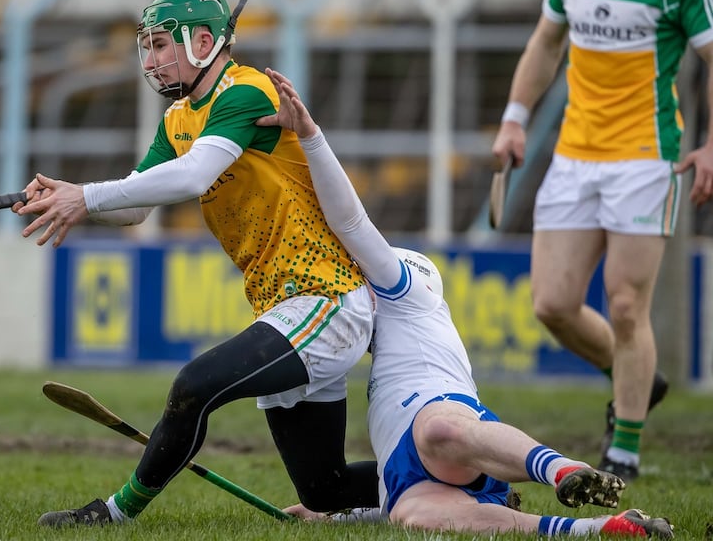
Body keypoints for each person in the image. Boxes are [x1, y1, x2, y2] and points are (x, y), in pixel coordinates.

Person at [15, 0, 380, 527]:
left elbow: (194, 176)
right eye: (146, 47)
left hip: (326, 298)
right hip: (283, 306)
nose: (150, 58)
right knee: (325, 492)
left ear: (204, 41)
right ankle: (470, 484)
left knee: (194, 386)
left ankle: (115, 515)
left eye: (161, 44)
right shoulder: (177, 120)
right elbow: (136, 204)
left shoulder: (249, 92)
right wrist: (72, 198)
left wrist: (86, 195)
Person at [256, 68, 674, 538]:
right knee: (411, 516)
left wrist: (310, 137)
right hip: (403, 474)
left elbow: (351, 225)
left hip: (439, 419)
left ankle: (561, 471)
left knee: (440, 433)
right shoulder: (350, 314)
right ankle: (600, 528)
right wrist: (328, 512)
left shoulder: (403, 285)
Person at [490, 0, 713, 481]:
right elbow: (547, 43)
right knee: (552, 304)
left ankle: (625, 451)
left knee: (627, 303)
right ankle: (633, 378)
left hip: (646, 157)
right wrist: (514, 119)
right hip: (574, 157)